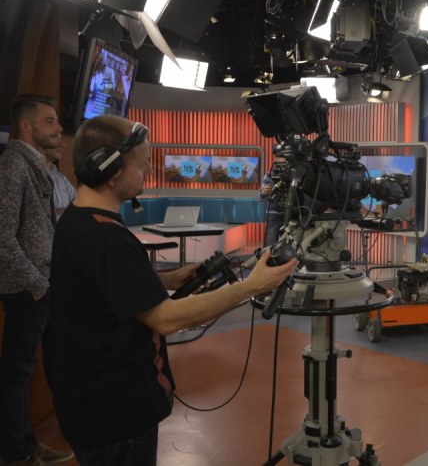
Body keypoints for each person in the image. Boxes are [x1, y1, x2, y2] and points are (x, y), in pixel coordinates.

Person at [42, 115, 298, 466]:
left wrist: (165, 280)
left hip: (92, 409)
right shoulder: (106, 239)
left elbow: (104, 288)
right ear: (112, 171)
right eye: (142, 165)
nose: (148, 172)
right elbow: (166, 319)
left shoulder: (77, 221)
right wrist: (251, 287)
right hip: (116, 419)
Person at [0, 94, 74, 466]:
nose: (59, 128)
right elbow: (2, 239)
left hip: (41, 287)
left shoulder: (32, 165)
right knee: (17, 375)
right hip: (27, 291)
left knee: (30, 372)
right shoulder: (13, 167)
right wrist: (38, 283)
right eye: (49, 121)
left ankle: (26, 445)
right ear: (26, 125)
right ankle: (16, 453)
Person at [43, 141, 77, 220]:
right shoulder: (31, 175)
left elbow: (79, 203)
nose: (62, 145)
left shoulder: (61, 178)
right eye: (54, 137)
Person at [259, 172, 284, 249]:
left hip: (293, 216)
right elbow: (260, 198)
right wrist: (263, 192)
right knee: (269, 247)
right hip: (273, 215)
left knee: (290, 248)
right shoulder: (269, 174)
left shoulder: (299, 170)